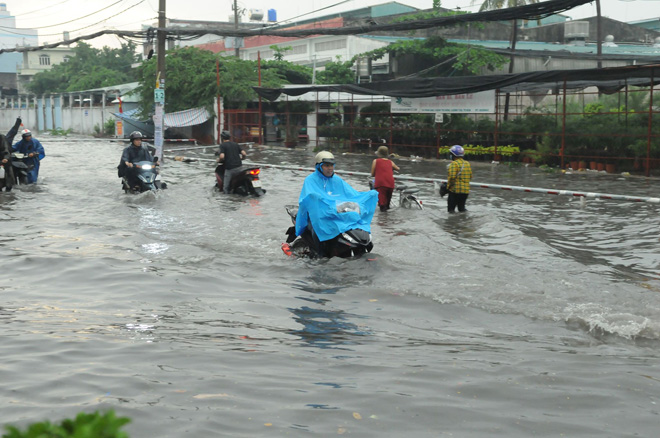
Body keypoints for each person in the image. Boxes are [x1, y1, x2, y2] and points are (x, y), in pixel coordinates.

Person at [294, 151, 377, 249]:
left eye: (332, 165)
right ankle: (319, 256)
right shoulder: (310, 180)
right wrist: (318, 200)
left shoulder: (337, 180)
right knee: (317, 230)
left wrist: (370, 195)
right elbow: (309, 199)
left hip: (334, 213)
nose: (330, 168)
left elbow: (352, 195)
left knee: (355, 222)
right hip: (317, 215)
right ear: (319, 166)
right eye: (327, 165)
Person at [370, 145, 399, 211]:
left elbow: (372, 174)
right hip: (390, 184)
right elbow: (398, 168)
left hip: (381, 184)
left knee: (382, 205)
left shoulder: (376, 161)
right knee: (387, 205)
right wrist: (391, 169)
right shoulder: (390, 162)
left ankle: (382, 220)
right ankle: (387, 219)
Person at [446, 145, 472, 213]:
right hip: (465, 191)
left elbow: (452, 177)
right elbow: (470, 176)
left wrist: (448, 187)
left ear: (453, 155)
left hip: (455, 191)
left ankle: (452, 223)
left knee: (451, 211)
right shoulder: (467, 163)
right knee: (462, 209)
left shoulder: (454, 164)